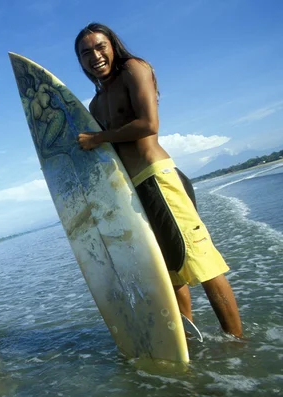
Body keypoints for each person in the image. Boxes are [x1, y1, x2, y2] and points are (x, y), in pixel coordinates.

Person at [73, 23, 242, 337]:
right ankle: (187, 342)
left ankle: (238, 347)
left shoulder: (134, 70)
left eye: (100, 47)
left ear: (113, 45)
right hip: (135, 192)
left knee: (202, 263)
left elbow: (148, 123)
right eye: (86, 53)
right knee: (171, 273)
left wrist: (99, 137)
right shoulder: (95, 105)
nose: (95, 56)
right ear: (80, 62)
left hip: (158, 178)